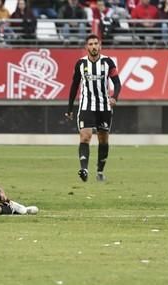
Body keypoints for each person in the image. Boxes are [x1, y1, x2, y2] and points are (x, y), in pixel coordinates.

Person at [64, 34, 121, 182]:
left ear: (100, 45)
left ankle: (100, 171)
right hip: (86, 106)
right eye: (91, 44)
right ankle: (84, 169)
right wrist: (70, 108)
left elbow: (117, 83)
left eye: (96, 43)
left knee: (103, 139)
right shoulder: (80, 64)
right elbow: (74, 85)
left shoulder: (108, 62)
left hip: (104, 107)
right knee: (85, 136)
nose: (94, 46)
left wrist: (115, 97)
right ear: (86, 47)